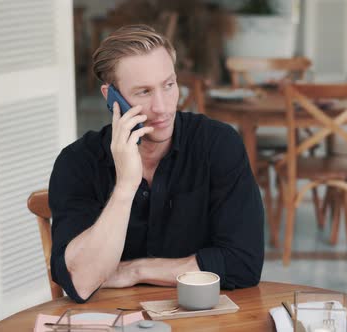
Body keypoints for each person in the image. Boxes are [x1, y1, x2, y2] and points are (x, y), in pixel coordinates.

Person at [48, 24, 264, 303]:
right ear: (111, 97)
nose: (162, 107)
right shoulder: (78, 162)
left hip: (199, 316)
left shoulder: (218, 144)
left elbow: (242, 264)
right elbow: (81, 281)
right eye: (143, 92)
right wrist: (125, 185)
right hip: (112, 318)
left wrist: (135, 270)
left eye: (169, 85)